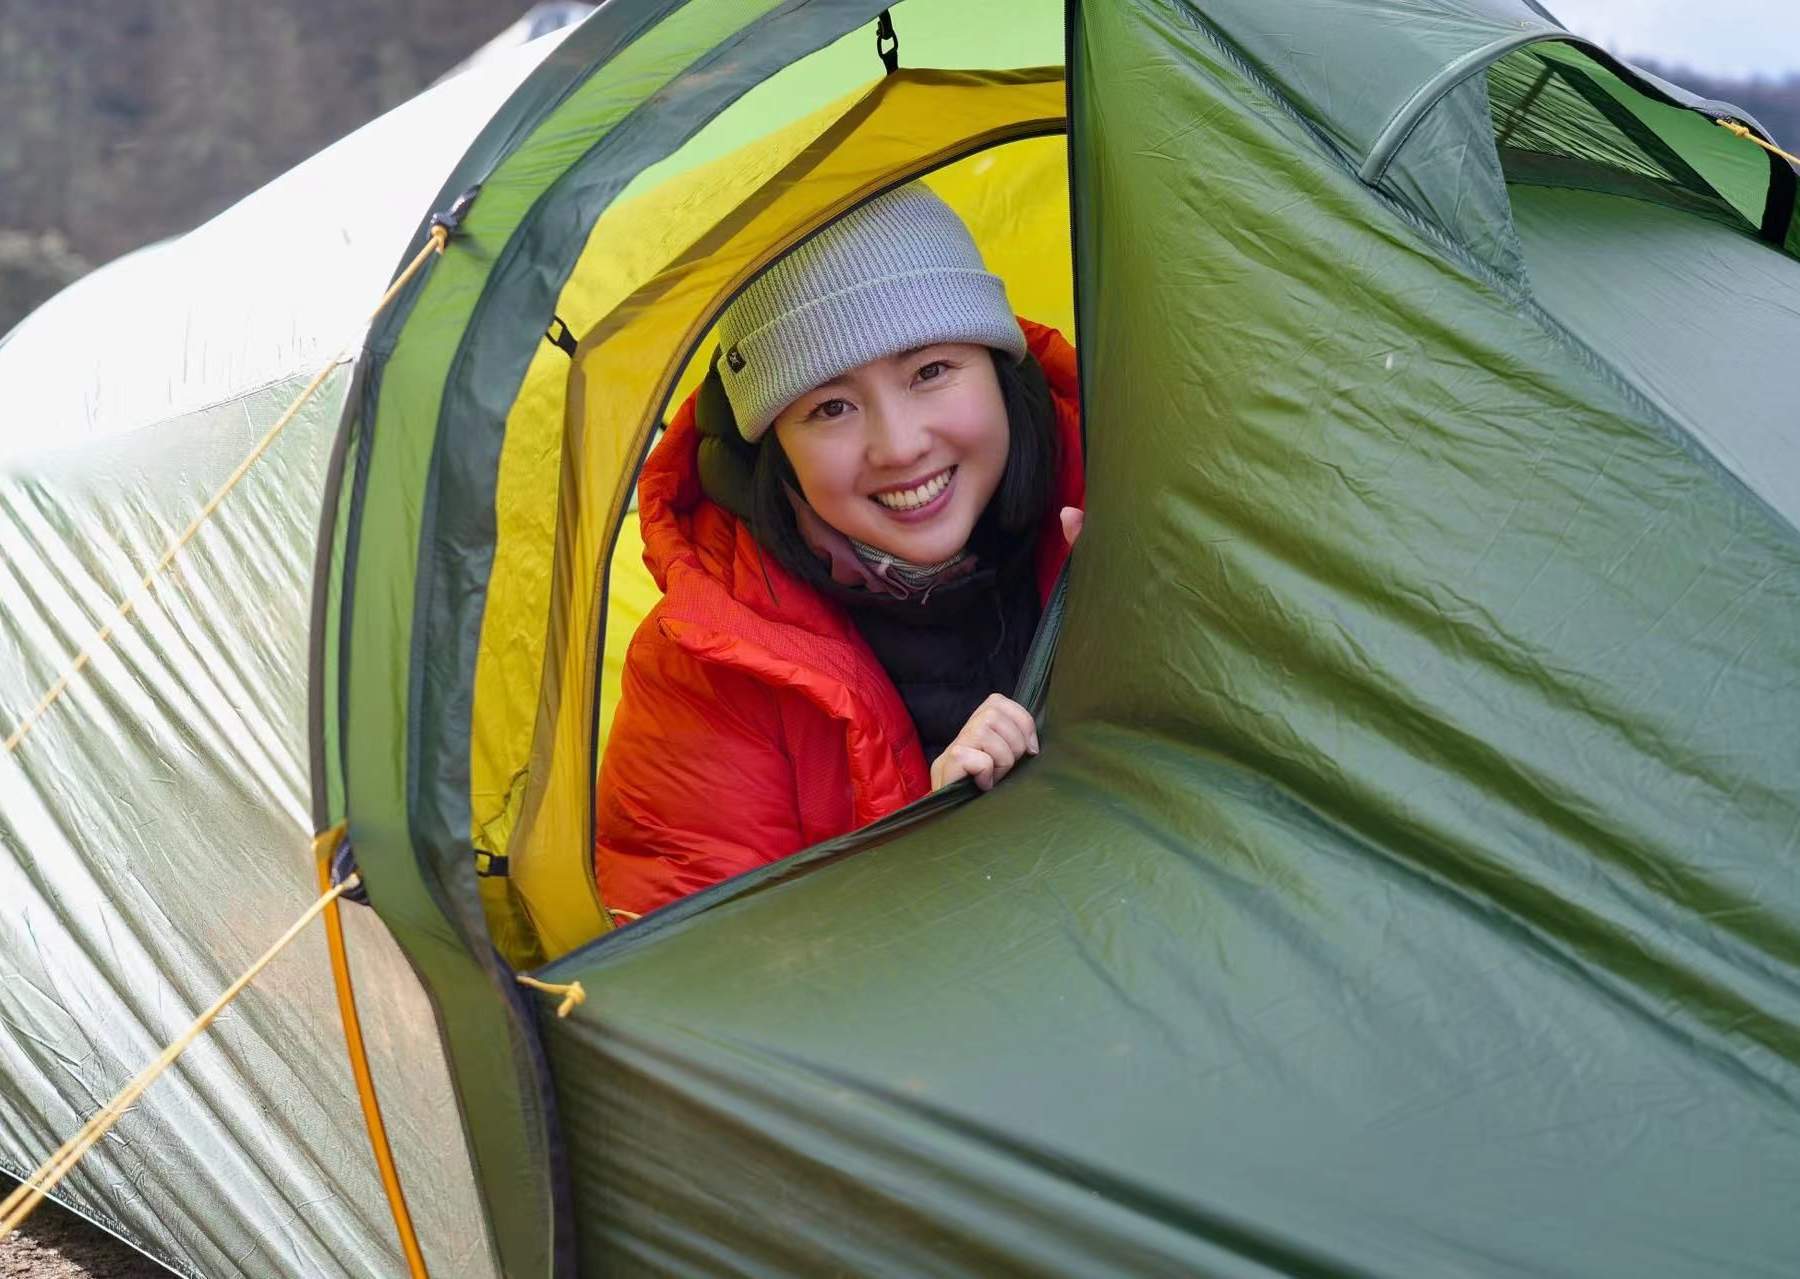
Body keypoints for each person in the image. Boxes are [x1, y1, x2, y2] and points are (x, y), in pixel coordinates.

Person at [594, 183, 1084, 922]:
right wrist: (928, 846)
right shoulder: (702, 675)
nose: (901, 445)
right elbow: (714, 990)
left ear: (998, 364)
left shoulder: (1141, 492)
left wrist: (1143, 618)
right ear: (778, 453)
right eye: (830, 407)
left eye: (931, 371)